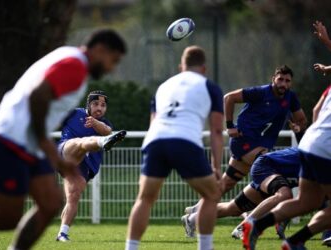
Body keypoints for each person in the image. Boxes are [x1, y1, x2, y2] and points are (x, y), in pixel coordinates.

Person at [0, 29, 126, 250]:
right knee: (6, 217)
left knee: (51, 203)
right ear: (100, 50)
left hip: (27, 142)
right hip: (10, 138)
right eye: (113, 60)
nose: (111, 68)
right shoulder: (75, 65)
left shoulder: (68, 57)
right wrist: (44, 142)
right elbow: (38, 95)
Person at [241, 21, 331, 250]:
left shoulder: (328, 89)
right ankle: (298, 239)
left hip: (311, 141)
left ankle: (259, 225)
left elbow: (315, 112)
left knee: (307, 201)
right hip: (328, 147)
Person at [125, 46, 224, 250]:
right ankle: (205, 247)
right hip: (185, 140)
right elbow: (216, 131)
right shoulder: (210, 87)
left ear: (181, 67)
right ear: (204, 69)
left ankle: (131, 248)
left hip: (155, 141)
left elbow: (153, 123)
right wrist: (217, 167)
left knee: (144, 199)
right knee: (212, 195)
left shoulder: (163, 87)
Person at [184, 65, 307, 214]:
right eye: (280, 79)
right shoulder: (260, 92)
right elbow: (229, 98)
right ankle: (251, 217)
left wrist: (298, 128)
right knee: (270, 170)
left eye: (287, 81)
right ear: (273, 79)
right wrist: (229, 126)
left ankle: (195, 212)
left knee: (226, 184)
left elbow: (301, 120)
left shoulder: (290, 97)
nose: (283, 84)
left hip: (260, 143)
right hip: (244, 140)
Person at [182, 147, 300, 240]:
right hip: (266, 168)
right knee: (284, 195)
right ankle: (244, 227)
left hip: (274, 175)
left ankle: (191, 219)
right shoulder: (313, 156)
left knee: (233, 208)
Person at [56, 90, 126, 242]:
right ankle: (102, 142)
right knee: (81, 143)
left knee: (73, 196)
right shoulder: (74, 113)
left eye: (103, 105)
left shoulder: (105, 124)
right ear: (88, 105)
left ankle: (62, 233)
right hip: (65, 152)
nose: (99, 108)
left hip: (85, 166)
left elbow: (107, 130)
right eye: (95, 104)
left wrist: (97, 124)